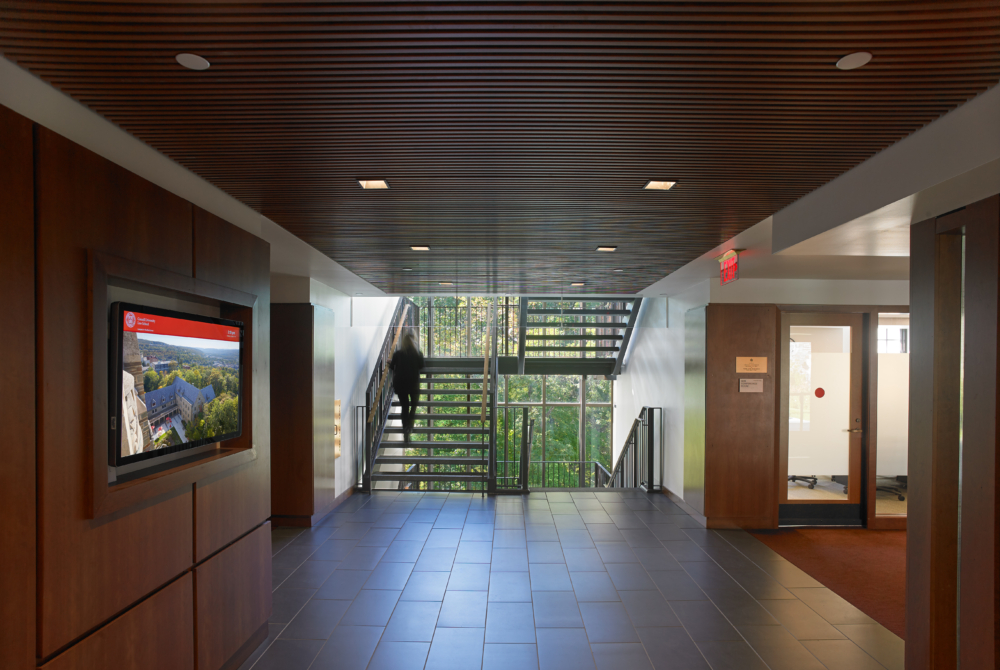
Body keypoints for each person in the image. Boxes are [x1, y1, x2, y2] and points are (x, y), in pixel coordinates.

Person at [389, 332, 424, 445]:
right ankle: (409, 428)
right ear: (414, 341)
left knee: (404, 407)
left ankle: (405, 429)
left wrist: (390, 362)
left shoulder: (398, 353)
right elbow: (422, 366)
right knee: (413, 407)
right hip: (413, 384)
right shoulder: (417, 353)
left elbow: (391, 366)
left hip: (400, 384)